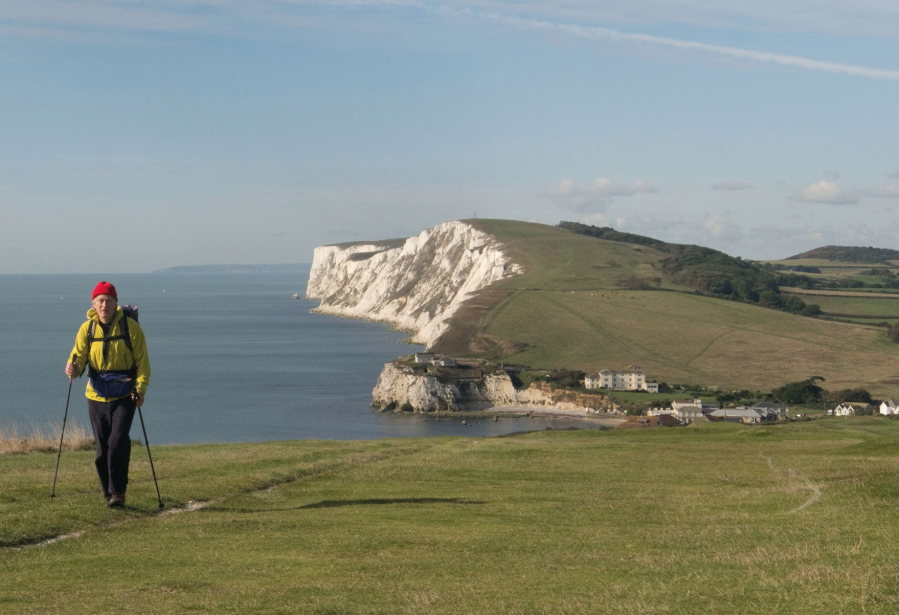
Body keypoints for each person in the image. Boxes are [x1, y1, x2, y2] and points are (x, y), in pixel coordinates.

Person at [65, 281, 151, 508]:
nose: (104, 305)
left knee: (118, 441)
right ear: (93, 304)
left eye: (108, 301)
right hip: (96, 396)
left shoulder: (131, 328)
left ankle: (118, 493)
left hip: (126, 395)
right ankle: (108, 494)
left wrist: (140, 389)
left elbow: (143, 364)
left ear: (116, 304)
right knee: (102, 448)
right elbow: (79, 357)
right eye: (100, 301)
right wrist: (72, 367)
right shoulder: (87, 329)